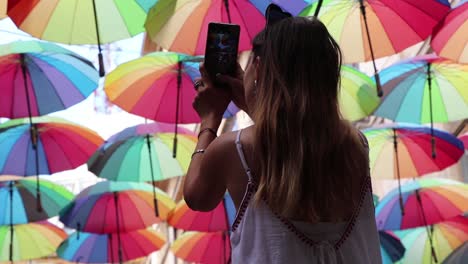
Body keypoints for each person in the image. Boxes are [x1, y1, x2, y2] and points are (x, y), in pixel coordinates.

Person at [184, 14, 382, 264]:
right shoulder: (356, 145)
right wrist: (255, 105)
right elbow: (297, 144)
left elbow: (197, 197)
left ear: (257, 67)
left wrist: (210, 118)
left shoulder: (235, 150)